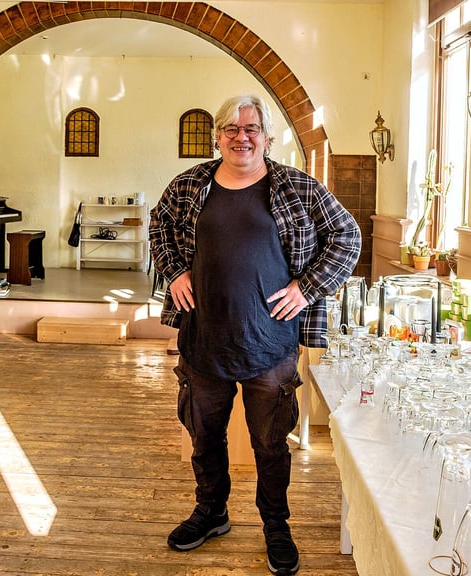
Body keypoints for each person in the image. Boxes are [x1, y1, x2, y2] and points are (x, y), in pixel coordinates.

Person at [149, 94, 361, 575]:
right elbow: (158, 226)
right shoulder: (189, 187)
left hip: (270, 347)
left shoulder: (297, 188)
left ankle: (276, 526)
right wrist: (176, 271)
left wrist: (307, 289)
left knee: (269, 444)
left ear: (267, 137)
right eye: (231, 128)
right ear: (216, 136)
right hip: (203, 342)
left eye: (251, 129)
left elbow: (347, 237)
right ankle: (211, 513)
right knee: (205, 438)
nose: (241, 137)